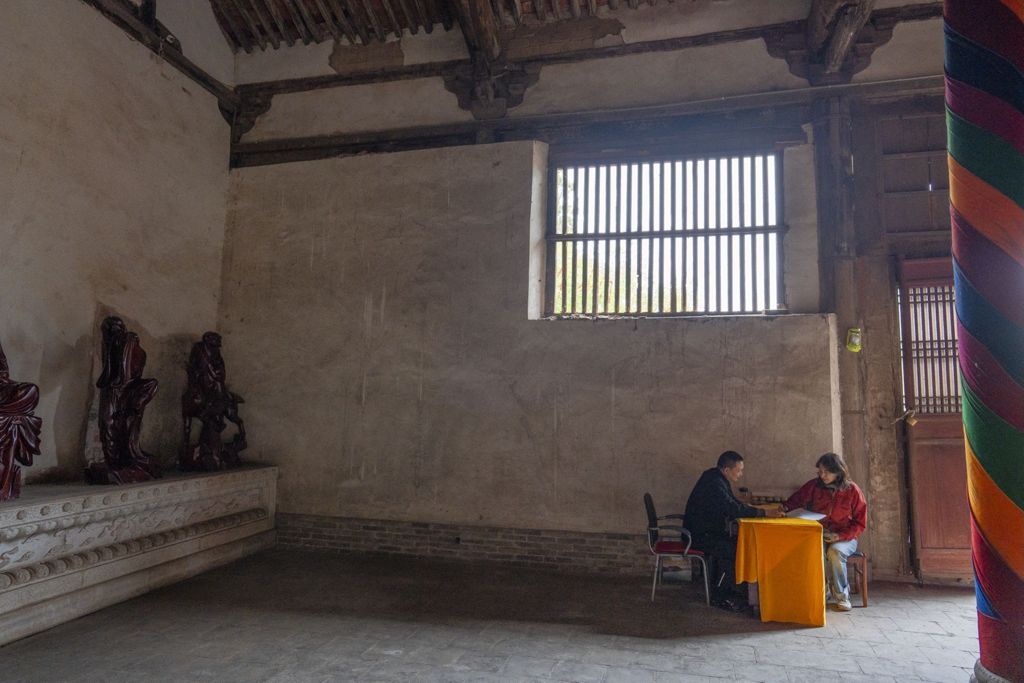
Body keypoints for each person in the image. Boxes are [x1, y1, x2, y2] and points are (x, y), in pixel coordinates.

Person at [684, 450, 781, 611]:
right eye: (739, 470)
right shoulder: (714, 482)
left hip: (708, 532)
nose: (741, 474)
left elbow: (731, 502)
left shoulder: (716, 477)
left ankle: (729, 589)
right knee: (734, 550)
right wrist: (763, 513)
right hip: (700, 536)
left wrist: (754, 509)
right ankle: (720, 596)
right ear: (727, 470)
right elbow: (731, 507)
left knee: (737, 545)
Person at [782, 452, 867, 612]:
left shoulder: (853, 490)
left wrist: (839, 536)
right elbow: (795, 500)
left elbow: (860, 524)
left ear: (838, 471)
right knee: (814, 551)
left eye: (826, 472)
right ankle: (823, 592)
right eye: (820, 471)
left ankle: (842, 596)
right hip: (819, 533)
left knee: (835, 552)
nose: (822, 475)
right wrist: (784, 508)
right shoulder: (814, 485)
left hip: (846, 537)